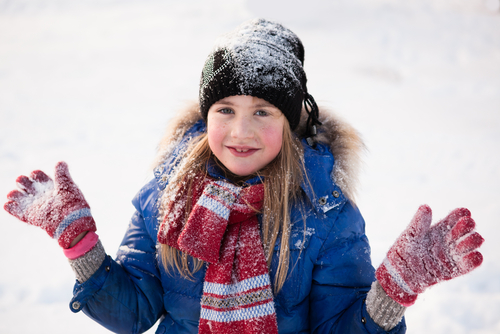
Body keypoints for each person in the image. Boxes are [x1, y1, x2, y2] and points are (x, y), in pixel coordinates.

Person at [4, 19, 484, 334]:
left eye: (263, 112)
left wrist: (391, 294)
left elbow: (339, 328)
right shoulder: (168, 197)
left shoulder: (325, 212)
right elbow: (132, 312)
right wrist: (81, 246)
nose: (240, 131)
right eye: (225, 109)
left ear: (291, 122)